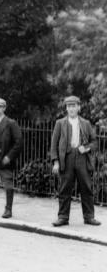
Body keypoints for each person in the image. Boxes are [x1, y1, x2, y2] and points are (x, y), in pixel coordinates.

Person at [49, 96, 101, 226]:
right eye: (69, 106)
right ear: (66, 108)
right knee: (64, 188)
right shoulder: (60, 123)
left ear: (79, 107)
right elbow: (53, 144)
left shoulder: (86, 123)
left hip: (82, 157)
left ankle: (89, 217)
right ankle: (63, 217)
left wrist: (87, 148)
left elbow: (95, 142)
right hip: (66, 158)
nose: (71, 108)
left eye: (74, 106)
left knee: (86, 187)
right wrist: (56, 161)